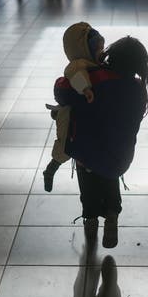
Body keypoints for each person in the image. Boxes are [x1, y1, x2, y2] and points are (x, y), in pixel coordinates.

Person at [51, 36, 148, 248]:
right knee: (109, 172)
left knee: (88, 182)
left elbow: (62, 91)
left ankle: (91, 218)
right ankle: (112, 215)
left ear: (111, 56)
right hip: (120, 158)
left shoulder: (95, 78)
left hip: (86, 154)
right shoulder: (138, 88)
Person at [43, 22, 105, 193]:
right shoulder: (78, 64)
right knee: (64, 146)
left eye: (102, 47)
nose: (101, 52)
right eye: (97, 49)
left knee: (74, 145)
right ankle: (50, 170)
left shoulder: (92, 63)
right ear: (84, 49)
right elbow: (76, 74)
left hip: (80, 113)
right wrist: (85, 89)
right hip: (68, 115)